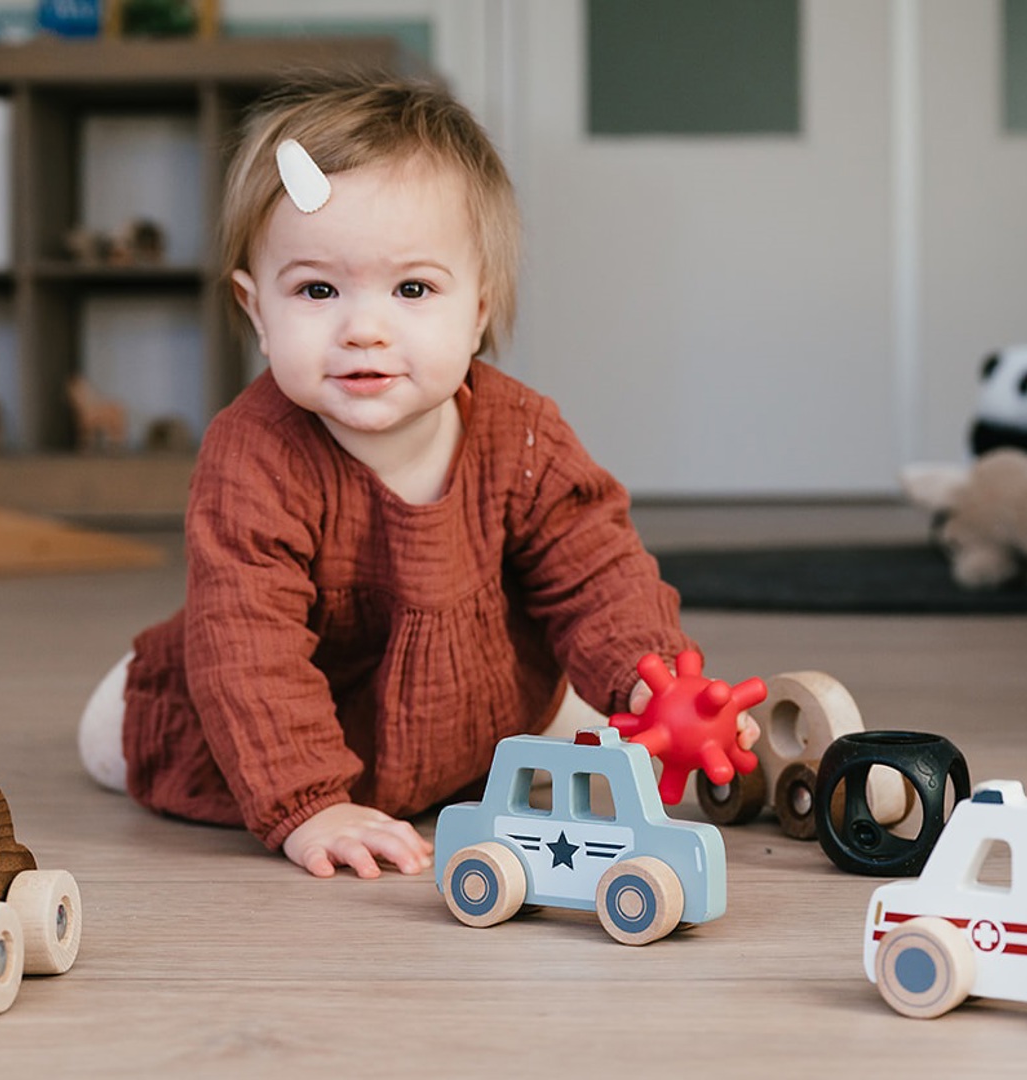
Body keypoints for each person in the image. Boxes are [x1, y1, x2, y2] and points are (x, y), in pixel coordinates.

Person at [78, 70, 751, 880]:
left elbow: (597, 574)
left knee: (606, 723)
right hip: (292, 718)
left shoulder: (525, 436)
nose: (364, 327)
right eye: (318, 289)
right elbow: (246, 647)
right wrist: (310, 802)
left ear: (477, 308)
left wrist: (653, 681)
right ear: (256, 311)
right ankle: (138, 686)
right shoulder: (252, 456)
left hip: (471, 708)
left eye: (412, 288)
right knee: (111, 736)